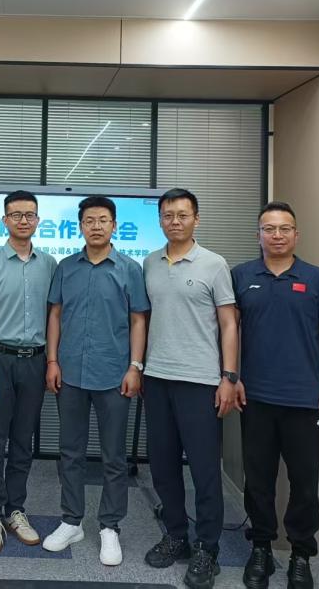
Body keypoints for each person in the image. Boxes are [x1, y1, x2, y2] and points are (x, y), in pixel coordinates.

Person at [232, 201, 319, 589]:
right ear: (258, 235)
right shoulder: (241, 276)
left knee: (304, 483)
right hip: (255, 398)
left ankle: (301, 554)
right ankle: (261, 548)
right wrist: (232, 377)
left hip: (304, 400)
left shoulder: (317, 278)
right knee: (258, 481)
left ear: (296, 234)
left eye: (284, 229)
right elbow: (227, 330)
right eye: (269, 229)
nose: (277, 235)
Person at [42, 196, 150, 566]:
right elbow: (55, 315)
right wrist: (52, 360)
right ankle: (71, 520)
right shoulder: (66, 267)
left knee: (113, 456)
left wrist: (135, 366)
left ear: (114, 225)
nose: (96, 226)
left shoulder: (129, 269)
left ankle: (110, 526)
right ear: (80, 226)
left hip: (114, 374)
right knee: (70, 452)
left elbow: (138, 320)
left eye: (103, 220)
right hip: (70, 371)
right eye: (89, 220)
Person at [142, 188, 238, 589]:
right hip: (156, 378)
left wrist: (229, 377)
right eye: (168, 215)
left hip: (200, 381)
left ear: (196, 219)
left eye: (182, 215)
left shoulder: (214, 264)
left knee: (204, 470)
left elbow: (229, 323)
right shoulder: (149, 262)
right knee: (163, 465)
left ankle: (207, 548)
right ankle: (177, 535)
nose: (175, 221)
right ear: (160, 220)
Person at [0, 190, 57, 553]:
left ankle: (15, 509)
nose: (23, 220)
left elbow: (55, 317)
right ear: (4, 220)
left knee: (23, 441)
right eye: (16, 215)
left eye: (29, 215)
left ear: (38, 220)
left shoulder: (49, 264)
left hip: (34, 361)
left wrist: (51, 362)